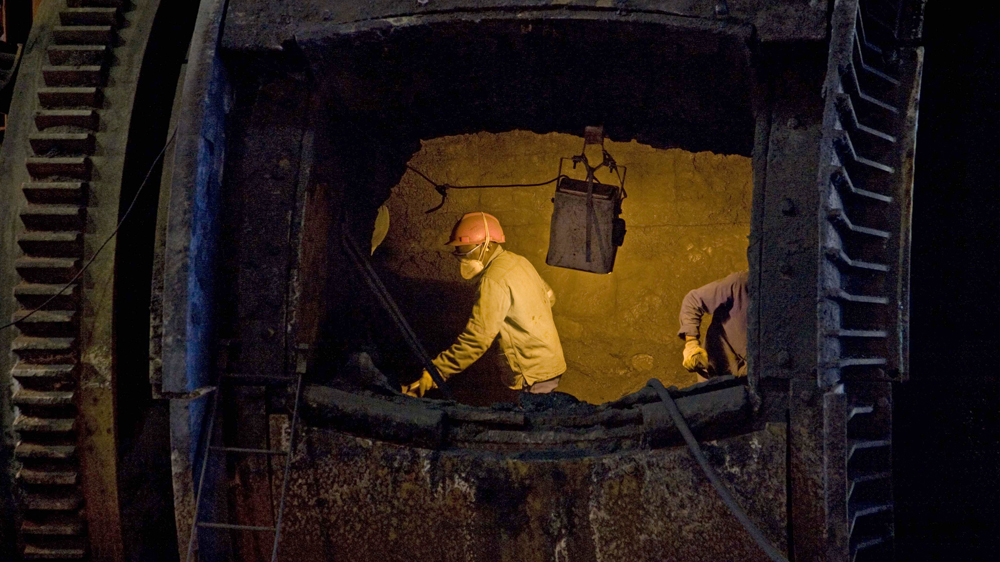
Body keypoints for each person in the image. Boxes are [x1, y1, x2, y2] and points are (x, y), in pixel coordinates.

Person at [402, 212, 566, 397]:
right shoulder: (519, 261)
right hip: (549, 363)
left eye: (464, 250)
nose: (461, 256)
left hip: (531, 373)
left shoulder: (493, 279)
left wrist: (437, 371)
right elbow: (549, 297)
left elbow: (478, 338)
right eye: (458, 250)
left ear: (486, 245)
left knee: (529, 413)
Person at [677, 270, 749, 382]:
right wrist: (691, 344)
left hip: (749, 377)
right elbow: (693, 300)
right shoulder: (740, 283)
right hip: (715, 371)